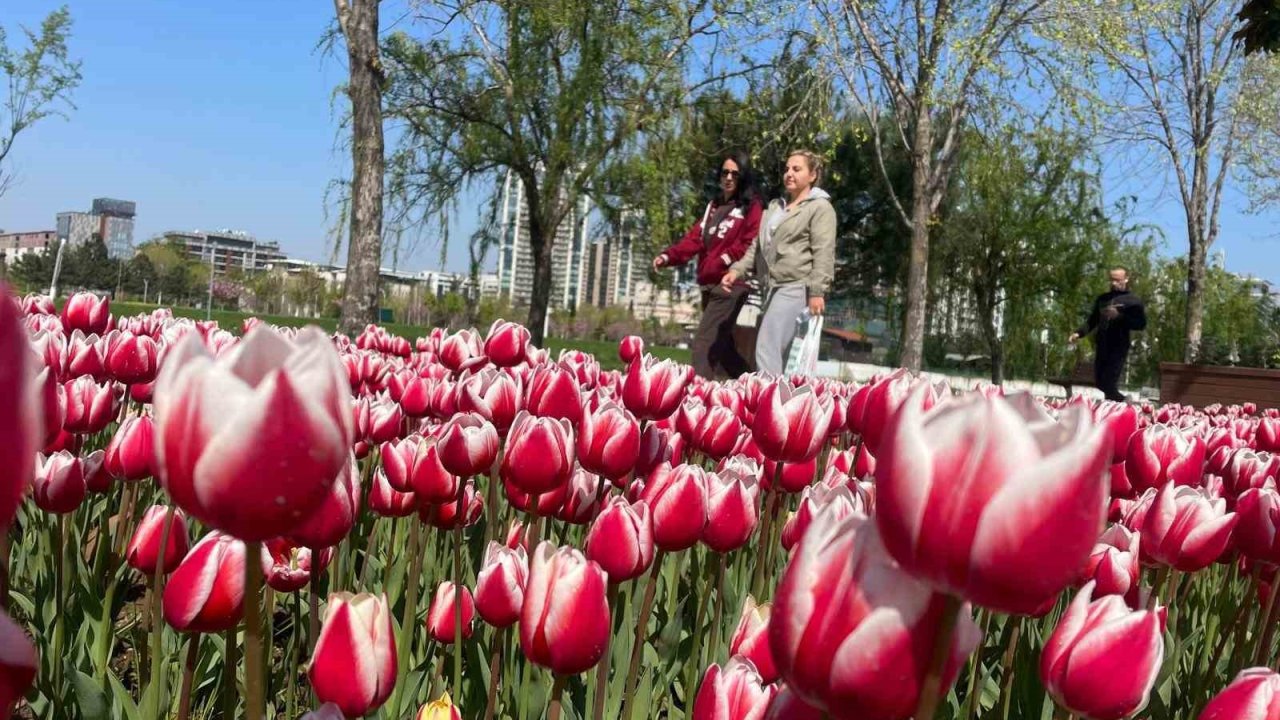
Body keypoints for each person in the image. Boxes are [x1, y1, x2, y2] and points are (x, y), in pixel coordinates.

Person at [721, 150, 836, 376]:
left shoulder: (819, 208)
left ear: (812, 175)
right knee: (781, 354)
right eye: (786, 169)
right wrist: (737, 270)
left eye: (797, 169)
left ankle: (767, 395)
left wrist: (817, 291)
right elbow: (757, 247)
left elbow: (824, 251)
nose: (789, 173)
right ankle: (783, 396)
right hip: (772, 288)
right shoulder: (776, 208)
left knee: (767, 345)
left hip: (796, 286)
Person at [653, 151, 763, 379]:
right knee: (724, 350)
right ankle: (755, 386)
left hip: (731, 284)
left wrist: (723, 261)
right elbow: (695, 239)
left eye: (735, 173)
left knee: (705, 342)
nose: (729, 178)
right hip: (708, 284)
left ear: (743, 176)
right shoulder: (713, 206)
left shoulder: (751, 207)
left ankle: (698, 392)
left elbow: (749, 242)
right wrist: (668, 257)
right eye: (725, 173)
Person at [1069, 267, 1147, 402]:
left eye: (1117, 280)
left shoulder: (1133, 301)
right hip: (1102, 344)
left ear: (1126, 279)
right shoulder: (1103, 299)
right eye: (1111, 280)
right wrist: (1078, 333)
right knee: (1100, 382)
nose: (1113, 283)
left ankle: (1124, 402)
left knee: (1108, 382)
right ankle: (1121, 403)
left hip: (1118, 346)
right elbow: (1092, 320)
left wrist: (1119, 316)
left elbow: (1141, 324)